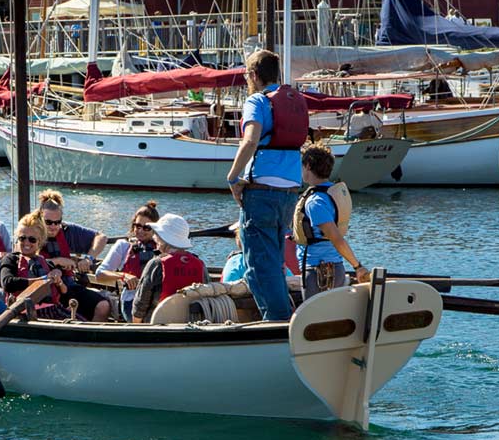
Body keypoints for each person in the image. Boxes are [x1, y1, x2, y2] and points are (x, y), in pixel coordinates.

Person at [225, 49, 305, 322]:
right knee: (270, 260)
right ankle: (279, 315)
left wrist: (233, 177)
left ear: (254, 75)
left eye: (248, 74)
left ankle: (277, 323)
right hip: (290, 191)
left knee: (260, 265)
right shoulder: (294, 100)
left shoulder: (257, 101)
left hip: (262, 191)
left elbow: (250, 140)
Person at [293, 144, 369, 300]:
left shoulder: (315, 202)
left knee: (315, 320)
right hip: (335, 268)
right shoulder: (332, 194)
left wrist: (358, 267)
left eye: (301, 165)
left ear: (307, 166)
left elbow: (336, 238)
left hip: (318, 273)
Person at [37, 190, 111, 321]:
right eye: (48, 222)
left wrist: (89, 259)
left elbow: (101, 237)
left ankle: (90, 339)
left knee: (103, 306)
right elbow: (24, 259)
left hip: (67, 285)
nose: (53, 226)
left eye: (57, 222)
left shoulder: (68, 230)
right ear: (40, 218)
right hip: (43, 289)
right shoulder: (31, 232)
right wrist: (57, 261)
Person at [130, 214, 208, 323]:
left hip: (157, 327)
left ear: (162, 238)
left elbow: (140, 306)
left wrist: (136, 328)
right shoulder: (200, 265)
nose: (154, 237)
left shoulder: (156, 264)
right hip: (191, 324)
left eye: (156, 234)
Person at [96, 200, 161, 321]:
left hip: (157, 300)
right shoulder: (123, 246)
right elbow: (99, 274)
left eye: (147, 227)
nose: (141, 231)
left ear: (155, 229)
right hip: (131, 301)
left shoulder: (162, 247)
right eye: (138, 226)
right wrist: (123, 276)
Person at [0, 213, 71, 319]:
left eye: (32, 239)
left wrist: (58, 280)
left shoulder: (45, 263)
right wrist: (42, 280)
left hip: (53, 310)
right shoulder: (11, 260)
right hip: (24, 314)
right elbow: (7, 283)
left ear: (40, 241)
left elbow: (64, 291)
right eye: (22, 238)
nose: (26, 242)